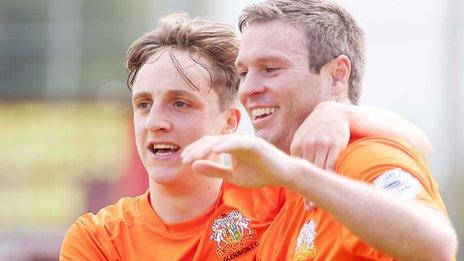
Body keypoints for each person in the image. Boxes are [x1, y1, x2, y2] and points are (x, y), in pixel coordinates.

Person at [61, 11, 440, 261]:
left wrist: (340, 113)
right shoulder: (99, 240)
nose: (155, 122)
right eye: (143, 104)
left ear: (230, 122)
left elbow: (413, 150)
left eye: (181, 104)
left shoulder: (275, 187)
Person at [181, 1, 457, 260]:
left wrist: (293, 173)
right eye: (243, 73)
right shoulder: (287, 194)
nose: (248, 89)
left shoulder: (362, 155)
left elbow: (437, 244)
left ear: (337, 75)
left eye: (271, 69)